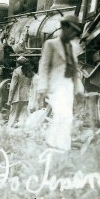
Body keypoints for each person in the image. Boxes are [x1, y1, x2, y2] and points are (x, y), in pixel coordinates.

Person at [38, 15, 84, 151]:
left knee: (67, 116)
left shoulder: (72, 47)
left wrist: (78, 88)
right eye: (72, 30)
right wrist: (43, 86)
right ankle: (56, 145)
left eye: (76, 32)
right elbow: (44, 66)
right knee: (61, 115)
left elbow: (74, 69)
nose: (74, 34)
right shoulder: (51, 44)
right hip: (55, 86)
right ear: (64, 27)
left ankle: (60, 146)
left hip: (68, 86)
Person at [6, 56, 34, 127]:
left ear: (18, 64)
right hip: (26, 98)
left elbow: (12, 87)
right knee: (23, 118)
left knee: (13, 117)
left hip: (17, 98)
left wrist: (9, 99)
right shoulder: (30, 72)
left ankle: (9, 131)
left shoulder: (16, 71)